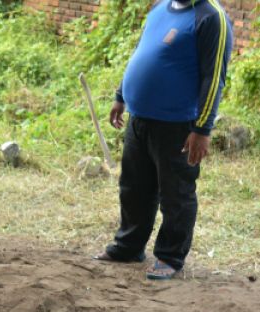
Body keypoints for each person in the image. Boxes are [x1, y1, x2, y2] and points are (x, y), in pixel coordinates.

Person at [94, 0, 233, 280]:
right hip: (140, 118)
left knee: (176, 194)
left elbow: (213, 77)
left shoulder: (211, 18)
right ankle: (129, 246)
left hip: (178, 125)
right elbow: (141, 52)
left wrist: (202, 129)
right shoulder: (160, 7)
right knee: (134, 188)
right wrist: (121, 95)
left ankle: (170, 256)